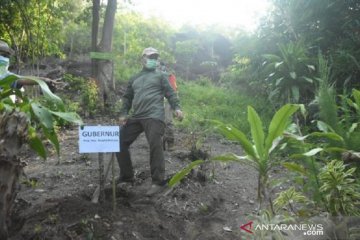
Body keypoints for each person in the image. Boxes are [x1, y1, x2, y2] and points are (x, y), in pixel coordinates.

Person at [116, 47, 183, 196]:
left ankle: (158, 182)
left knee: (155, 145)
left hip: (154, 116)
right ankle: (127, 177)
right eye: (150, 57)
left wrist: (177, 108)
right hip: (137, 116)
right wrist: (123, 113)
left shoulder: (161, 76)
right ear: (143, 59)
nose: (153, 60)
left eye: (155, 58)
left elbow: (171, 93)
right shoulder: (134, 78)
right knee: (119, 141)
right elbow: (127, 97)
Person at [158, 61, 178, 150]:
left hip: (168, 100)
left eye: (159, 66)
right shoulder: (152, 75)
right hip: (157, 101)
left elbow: (173, 91)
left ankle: (170, 143)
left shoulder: (169, 76)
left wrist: (175, 106)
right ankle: (160, 143)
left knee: (168, 120)